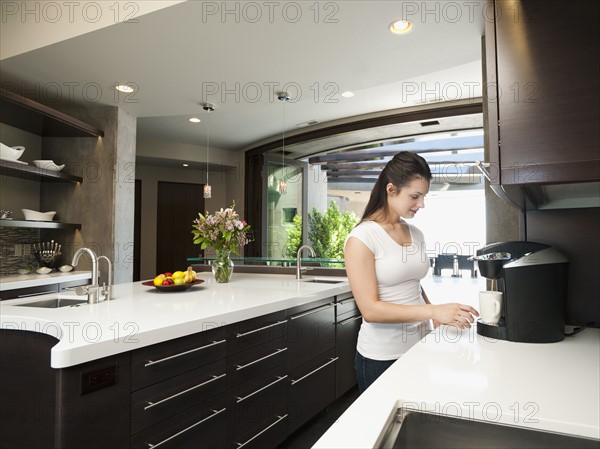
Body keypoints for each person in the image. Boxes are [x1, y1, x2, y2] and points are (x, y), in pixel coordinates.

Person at [344, 151, 479, 393]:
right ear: (391, 189)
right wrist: (433, 310)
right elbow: (370, 310)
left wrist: (435, 315)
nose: (422, 204)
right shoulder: (362, 238)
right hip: (382, 356)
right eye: (415, 196)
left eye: (424, 196)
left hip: (419, 346)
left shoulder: (415, 232)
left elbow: (413, 282)